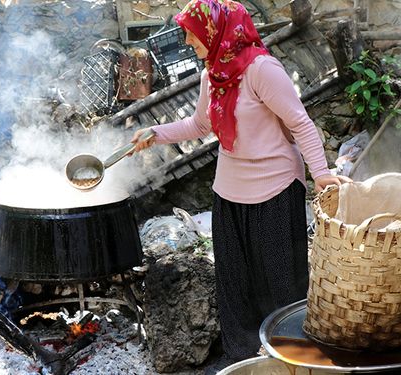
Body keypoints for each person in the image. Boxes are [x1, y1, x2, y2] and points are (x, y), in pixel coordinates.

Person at [130, 0, 351, 373]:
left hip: (277, 188)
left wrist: (321, 173)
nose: (186, 40)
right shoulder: (211, 74)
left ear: (216, 30)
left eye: (192, 32)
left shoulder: (261, 69)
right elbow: (200, 126)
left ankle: (292, 359)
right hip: (230, 191)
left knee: (281, 283)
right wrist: (156, 133)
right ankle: (244, 360)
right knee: (235, 283)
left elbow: (300, 123)